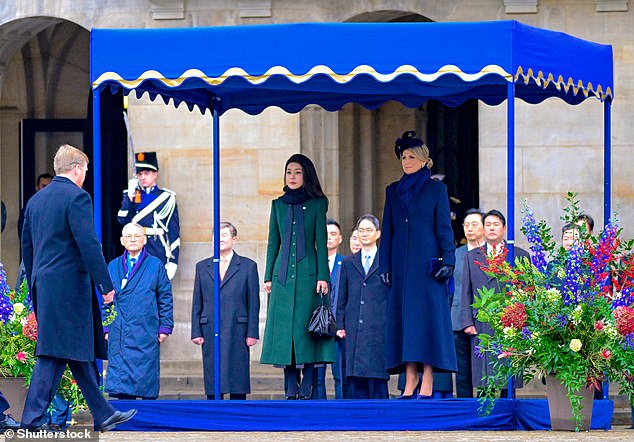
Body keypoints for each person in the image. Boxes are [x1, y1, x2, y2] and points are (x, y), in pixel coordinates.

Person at [21, 144, 136, 432]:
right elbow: (88, 243)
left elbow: (27, 246)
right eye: (84, 170)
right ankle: (31, 420)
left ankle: (103, 413)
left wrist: (36, 279)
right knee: (53, 352)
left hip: (46, 285)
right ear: (76, 169)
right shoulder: (77, 197)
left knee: (75, 349)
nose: (85, 175)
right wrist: (105, 284)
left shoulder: (36, 201)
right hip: (69, 287)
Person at [378, 131, 457, 399]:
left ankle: (429, 376)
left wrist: (449, 260)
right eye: (403, 157)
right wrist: (384, 265)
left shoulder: (437, 189)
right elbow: (387, 230)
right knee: (405, 322)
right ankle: (409, 377)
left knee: (427, 322)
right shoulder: (392, 190)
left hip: (427, 267)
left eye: (411, 157)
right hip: (401, 267)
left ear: (424, 160)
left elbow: (444, 227)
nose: (406, 161)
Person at [260, 153, 335, 400]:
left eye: (298, 172)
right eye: (289, 172)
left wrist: (323, 276)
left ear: (307, 175)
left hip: (309, 276)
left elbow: (321, 244)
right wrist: (268, 276)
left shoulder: (317, 204)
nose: (292, 177)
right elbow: (274, 242)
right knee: (285, 330)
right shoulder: (277, 205)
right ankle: (291, 382)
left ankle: (310, 379)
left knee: (306, 329)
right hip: (281, 276)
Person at [459, 209, 529, 396]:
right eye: (487, 225)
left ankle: (508, 409)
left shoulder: (519, 255)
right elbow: (466, 291)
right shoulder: (472, 256)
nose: (491, 228)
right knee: (484, 373)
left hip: (510, 323)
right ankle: (485, 414)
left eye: (495, 225)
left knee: (508, 374)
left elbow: (529, 290)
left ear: (504, 228)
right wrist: (467, 321)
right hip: (481, 321)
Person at [104, 222, 173, 400]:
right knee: (121, 378)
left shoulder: (155, 265)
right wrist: (105, 327)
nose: (133, 239)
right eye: (128, 236)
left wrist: (165, 327)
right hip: (119, 329)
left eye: (137, 236)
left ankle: (146, 415)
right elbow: (105, 299)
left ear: (144, 240)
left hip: (145, 328)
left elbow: (165, 297)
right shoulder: (113, 266)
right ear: (122, 241)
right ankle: (125, 415)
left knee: (145, 375)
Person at [191, 222, 260, 400]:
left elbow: (253, 301)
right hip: (210, 327)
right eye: (216, 235)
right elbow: (197, 301)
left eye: (224, 235)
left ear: (234, 239)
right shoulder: (202, 266)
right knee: (213, 372)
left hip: (238, 327)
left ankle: (238, 414)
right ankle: (214, 411)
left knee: (237, 372)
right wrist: (196, 331)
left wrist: (252, 332)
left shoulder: (247, 266)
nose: (219, 239)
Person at [336, 214, 389, 399]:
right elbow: (342, 297)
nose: (364, 234)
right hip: (354, 327)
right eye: (361, 230)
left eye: (369, 230)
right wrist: (340, 325)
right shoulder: (349, 263)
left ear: (378, 234)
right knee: (355, 378)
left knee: (378, 379)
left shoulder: (386, 261)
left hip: (379, 327)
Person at [117, 152, 180, 280]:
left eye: (147, 173)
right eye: (140, 174)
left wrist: (173, 260)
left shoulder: (166, 198)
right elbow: (122, 220)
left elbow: (174, 231)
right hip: (135, 246)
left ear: (155, 174)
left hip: (157, 247)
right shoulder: (131, 196)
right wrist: (129, 197)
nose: (143, 177)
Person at [450, 209, 486, 398]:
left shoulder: (490, 253)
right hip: (457, 317)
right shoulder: (456, 255)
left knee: (484, 367)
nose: (469, 229)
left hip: (484, 318)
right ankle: (464, 404)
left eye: (474, 224)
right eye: (466, 225)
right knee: (462, 369)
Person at [312, 219, 345, 399]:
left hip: (338, 327)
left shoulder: (346, 262)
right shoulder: (313, 263)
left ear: (340, 239)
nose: (329, 238)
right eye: (326, 234)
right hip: (317, 326)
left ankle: (341, 409)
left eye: (333, 234)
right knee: (317, 376)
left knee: (339, 374)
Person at [18, 173, 53, 241]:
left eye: (49, 186)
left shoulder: (60, 207)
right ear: (37, 188)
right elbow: (23, 236)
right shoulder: (29, 208)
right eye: (44, 186)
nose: (47, 189)